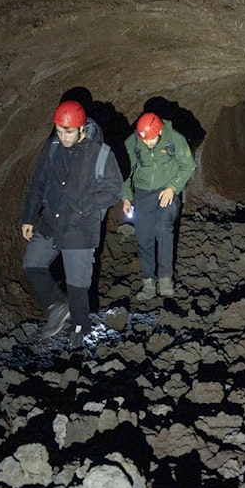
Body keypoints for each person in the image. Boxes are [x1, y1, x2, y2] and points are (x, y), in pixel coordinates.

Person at [20, 100, 123, 347]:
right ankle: (57, 306)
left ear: (81, 129)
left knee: (78, 285)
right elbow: (38, 183)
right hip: (51, 222)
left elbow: (114, 190)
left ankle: (80, 330)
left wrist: (85, 205)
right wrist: (28, 217)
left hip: (80, 226)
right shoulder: (53, 147)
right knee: (32, 265)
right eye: (59, 130)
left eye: (68, 131)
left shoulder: (100, 153)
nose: (63, 137)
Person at [121, 111, 197, 300]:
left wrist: (173, 187)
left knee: (163, 229)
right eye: (144, 140)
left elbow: (189, 165)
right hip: (143, 193)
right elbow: (124, 171)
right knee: (144, 235)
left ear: (160, 131)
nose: (148, 143)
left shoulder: (175, 139)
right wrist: (126, 197)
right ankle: (148, 282)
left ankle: (165, 280)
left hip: (167, 190)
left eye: (152, 139)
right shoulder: (133, 142)